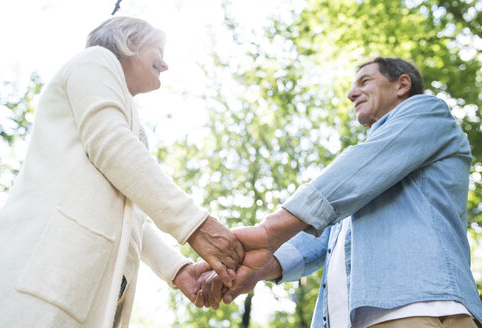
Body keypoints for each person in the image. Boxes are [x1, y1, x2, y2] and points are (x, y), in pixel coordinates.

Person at [0, 16, 244, 328]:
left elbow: (132, 215)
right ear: (129, 40)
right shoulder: (95, 61)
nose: (165, 65)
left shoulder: (132, 121)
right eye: (158, 50)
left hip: (88, 294)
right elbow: (110, 143)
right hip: (43, 276)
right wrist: (194, 224)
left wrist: (176, 270)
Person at [198, 57, 482, 327]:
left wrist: (270, 230)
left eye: (364, 81)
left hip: (419, 309)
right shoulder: (355, 189)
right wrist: (250, 266)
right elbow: (315, 242)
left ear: (402, 84)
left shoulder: (427, 113)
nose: (351, 93)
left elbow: (359, 169)